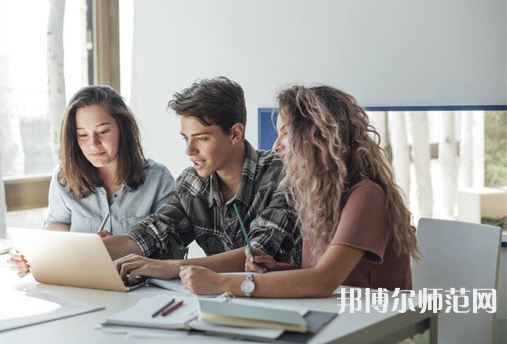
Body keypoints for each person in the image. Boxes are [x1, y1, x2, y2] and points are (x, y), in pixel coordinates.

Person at [179, 84, 420, 298]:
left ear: (317, 137)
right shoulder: (317, 195)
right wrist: (276, 269)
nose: (276, 146)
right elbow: (319, 275)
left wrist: (221, 282)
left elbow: (324, 281)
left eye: (286, 133)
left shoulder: (366, 195)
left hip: (380, 327)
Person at [105, 76, 301, 281]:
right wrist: (86, 251)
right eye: (186, 138)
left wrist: (173, 267)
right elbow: (153, 233)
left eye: (201, 138)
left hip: (284, 300)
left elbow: (259, 254)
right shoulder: (192, 182)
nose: (189, 150)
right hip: (219, 299)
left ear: (235, 133)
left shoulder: (282, 173)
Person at [9, 85, 175, 277]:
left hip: (143, 289)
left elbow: (171, 251)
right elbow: (56, 225)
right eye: (83, 135)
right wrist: (32, 255)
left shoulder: (158, 180)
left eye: (103, 132)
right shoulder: (65, 178)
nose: (93, 144)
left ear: (123, 128)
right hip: (82, 283)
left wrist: (115, 246)